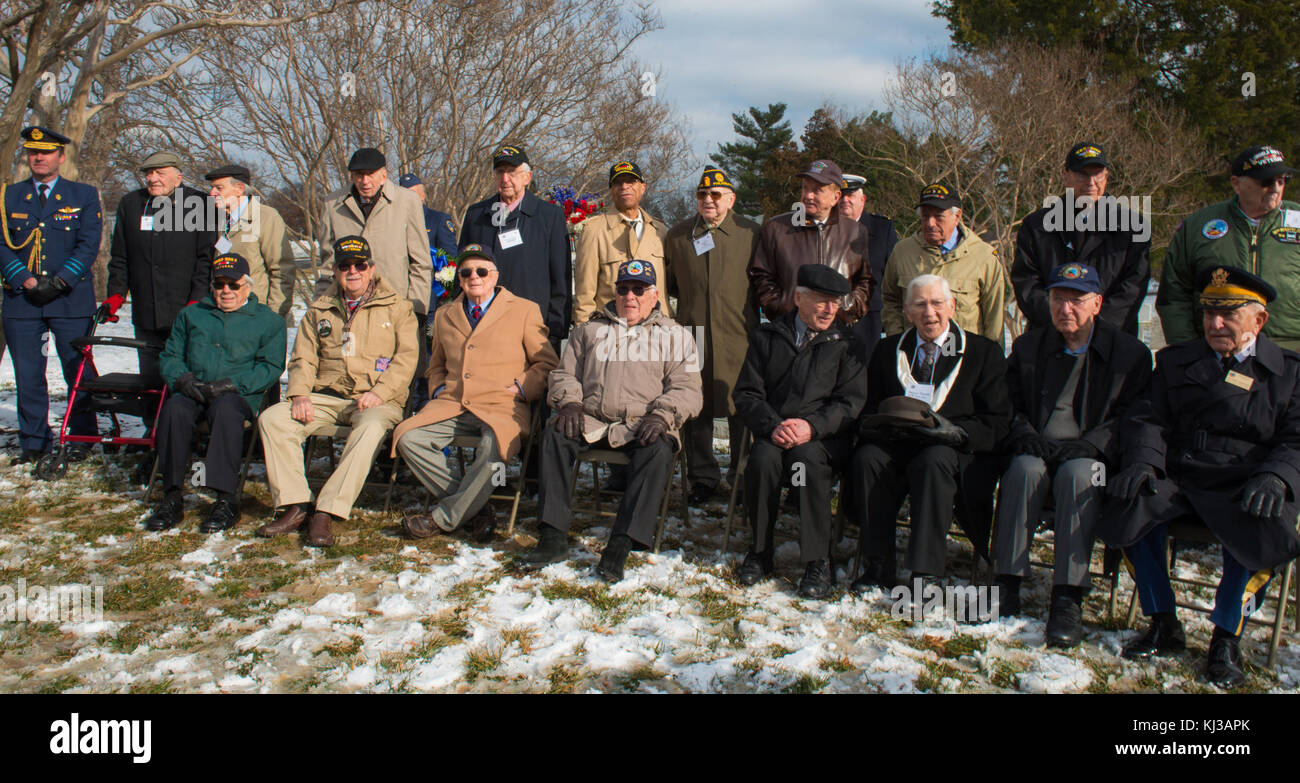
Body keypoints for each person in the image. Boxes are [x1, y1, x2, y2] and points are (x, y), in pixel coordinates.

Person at [1102, 266, 1300, 688]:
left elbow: (1297, 439)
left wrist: (1278, 477)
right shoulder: (1177, 362)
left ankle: (1227, 637)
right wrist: (1144, 462)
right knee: (1131, 500)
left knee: (1262, 523)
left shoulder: (1289, 373)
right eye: (1209, 312)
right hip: (1185, 474)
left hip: (1244, 481)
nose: (1215, 323)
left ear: (1258, 320)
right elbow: (1147, 417)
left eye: (1228, 314)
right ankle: (1163, 621)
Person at [994, 263, 1152, 645]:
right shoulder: (1031, 346)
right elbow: (1006, 401)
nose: (1066, 308)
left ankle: (1068, 593)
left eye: (1077, 300)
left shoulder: (1128, 354)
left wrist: (1097, 443)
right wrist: (1024, 432)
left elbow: (1134, 415)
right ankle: (1007, 582)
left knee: (1081, 476)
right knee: (1022, 470)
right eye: (1058, 298)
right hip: (1040, 445)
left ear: (1097, 303)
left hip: (1093, 457)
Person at [519, 260, 702, 581]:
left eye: (639, 289)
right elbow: (563, 374)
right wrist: (570, 403)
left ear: (655, 294)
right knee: (555, 435)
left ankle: (621, 542)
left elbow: (688, 389)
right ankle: (552, 534)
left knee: (658, 449)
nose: (630, 296)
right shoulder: (589, 331)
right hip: (590, 419)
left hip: (642, 423)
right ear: (615, 292)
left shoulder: (677, 336)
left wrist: (662, 415)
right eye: (623, 289)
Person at [850, 274, 1011, 591]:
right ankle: (878, 565)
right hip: (898, 444)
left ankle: (925, 573)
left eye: (937, 303)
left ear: (952, 306)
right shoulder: (887, 350)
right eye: (920, 304)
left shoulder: (982, 353)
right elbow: (868, 409)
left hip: (953, 451)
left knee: (933, 462)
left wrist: (957, 433)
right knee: (867, 459)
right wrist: (880, 424)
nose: (929, 313)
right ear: (907, 311)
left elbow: (998, 420)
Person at [256, 236, 418, 547]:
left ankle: (327, 510)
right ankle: (296, 504)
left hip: (375, 399)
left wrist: (380, 393)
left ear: (371, 268)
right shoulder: (320, 309)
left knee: (370, 428)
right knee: (274, 418)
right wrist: (300, 394)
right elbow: (303, 357)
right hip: (326, 396)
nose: (353, 271)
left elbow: (407, 360)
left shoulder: (398, 307)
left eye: (360, 265)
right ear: (336, 271)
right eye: (345, 266)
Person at [390, 244, 557, 538]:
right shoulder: (445, 314)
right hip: (452, 404)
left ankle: (442, 519)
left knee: (493, 449)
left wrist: (520, 387)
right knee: (408, 437)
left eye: (482, 271)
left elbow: (545, 363)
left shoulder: (523, 310)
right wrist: (439, 386)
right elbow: (436, 364)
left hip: (502, 404)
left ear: (495, 275)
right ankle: (474, 508)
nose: (474, 277)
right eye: (466, 272)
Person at [732, 264, 868, 599]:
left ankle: (817, 559)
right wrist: (773, 425)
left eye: (835, 302)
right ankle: (760, 550)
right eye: (821, 301)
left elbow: (850, 403)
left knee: (803, 466)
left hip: (822, 440)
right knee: (762, 462)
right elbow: (746, 394)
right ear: (798, 298)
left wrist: (811, 427)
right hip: (774, 432)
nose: (829, 309)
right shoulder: (767, 337)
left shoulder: (846, 344)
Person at [149, 253, 286, 532]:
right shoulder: (191, 314)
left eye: (233, 285)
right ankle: (171, 496)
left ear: (247, 286)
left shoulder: (268, 321)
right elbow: (170, 355)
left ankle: (226, 499)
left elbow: (270, 367)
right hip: (194, 388)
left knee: (225, 412)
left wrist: (233, 385)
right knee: (174, 409)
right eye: (220, 284)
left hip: (236, 394)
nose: (226, 291)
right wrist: (183, 380)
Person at [0, 126, 102, 462]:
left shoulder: (83, 195)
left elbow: (89, 245)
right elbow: (2, 245)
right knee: (28, 375)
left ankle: (82, 438)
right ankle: (33, 442)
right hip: (22, 300)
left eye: (45, 152)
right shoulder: (7, 196)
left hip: (70, 299)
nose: (38, 157)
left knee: (78, 371)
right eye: (33, 152)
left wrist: (59, 282)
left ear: (61, 156)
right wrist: (27, 281)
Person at [664, 166, 761, 503]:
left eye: (716, 195)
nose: (708, 200)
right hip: (693, 335)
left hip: (739, 334)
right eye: (702, 194)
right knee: (697, 406)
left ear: (731, 199)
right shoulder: (677, 236)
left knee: (741, 405)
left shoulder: (751, 233)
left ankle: (742, 475)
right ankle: (703, 477)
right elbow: (671, 285)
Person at [1156, 145, 1300, 350]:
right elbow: (1174, 294)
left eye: (1283, 179)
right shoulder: (1198, 226)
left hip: (1290, 349)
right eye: (1266, 181)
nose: (1276, 187)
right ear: (1236, 183)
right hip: (1218, 350)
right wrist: (1186, 349)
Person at [1012, 143, 1150, 335]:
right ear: (1066, 176)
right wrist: (1063, 322)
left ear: (1107, 175)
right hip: (1050, 340)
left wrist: (1094, 329)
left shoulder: (1132, 227)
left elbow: (1132, 287)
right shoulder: (1036, 227)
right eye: (1083, 174)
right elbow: (1027, 284)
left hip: (1112, 342)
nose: (1091, 182)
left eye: (1097, 174)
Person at [104, 150, 218, 383]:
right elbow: (120, 256)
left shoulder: (199, 204)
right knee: (150, 375)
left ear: (178, 176)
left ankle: (183, 419)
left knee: (185, 375)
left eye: (160, 173)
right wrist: (116, 294)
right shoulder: (132, 204)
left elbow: (206, 258)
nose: (153, 178)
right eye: (149, 173)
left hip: (186, 310)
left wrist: (197, 298)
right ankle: (151, 420)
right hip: (146, 310)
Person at [458, 145, 570, 351]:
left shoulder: (549, 215)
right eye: (500, 172)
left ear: (528, 177)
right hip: (483, 325)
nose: (505, 178)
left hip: (533, 328)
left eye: (512, 172)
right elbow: (462, 271)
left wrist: (556, 329)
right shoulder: (476, 215)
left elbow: (560, 279)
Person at [749, 159, 872, 327]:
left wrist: (845, 309)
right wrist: (781, 310)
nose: (808, 195)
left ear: (836, 197)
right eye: (805, 188)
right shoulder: (776, 228)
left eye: (817, 190)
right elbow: (762, 276)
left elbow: (864, 280)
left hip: (836, 333)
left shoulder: (855, 232)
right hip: (789, 333)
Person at [880, 183, 1006, 344]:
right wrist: (897, 340)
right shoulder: (902, 252)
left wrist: (991, 360)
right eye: (925, 216)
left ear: (957, 216)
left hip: (965, 357)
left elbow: (994, 317)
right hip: (914, 356)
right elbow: (890, 300)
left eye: (938, 216)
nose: (930, 223)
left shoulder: (983, 257)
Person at [317, 148, 432, 319]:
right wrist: (322, 308)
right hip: (348, 308)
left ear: (383, 175)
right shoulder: (332, 204)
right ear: (351, 177)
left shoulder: (407, 201)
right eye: (359, 174)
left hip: (396, 306)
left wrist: (416, 307)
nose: (365, 181)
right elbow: (328, 264)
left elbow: (421, 262)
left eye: (370, 174)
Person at [573, 161, 669, 324]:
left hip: (656, 329)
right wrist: (585, 332)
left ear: (642, 187)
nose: (624, 186)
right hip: (611, 330)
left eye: (631, 181)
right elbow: (584, 294)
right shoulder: (594, 230)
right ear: (611, 189)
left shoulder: (660, 231)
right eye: (618, 182)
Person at [205, 164, 297, 322]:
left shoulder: (265, 217)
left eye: (218, 188)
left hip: (255, 315)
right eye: (212, 188)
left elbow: (282, 271)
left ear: (239, 188)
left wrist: (272, 316)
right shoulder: (218, 219)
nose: (212, 193)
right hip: (222, 315)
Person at [839, 173, 899, 358]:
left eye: (850, 195)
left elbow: (893, 278)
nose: (845, 200)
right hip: (833, 319)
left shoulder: (883, 229)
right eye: (841, 195)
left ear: (862, 199)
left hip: (871, 323)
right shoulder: (822, 231)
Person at [397, 172, 457, 312]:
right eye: (402, 195)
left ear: (422, 195)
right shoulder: (393, 222)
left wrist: (441, 295)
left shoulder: (438, 220)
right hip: (400, 296)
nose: (406, 199)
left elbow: (449, 260)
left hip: (429, 299)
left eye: (412, 194)